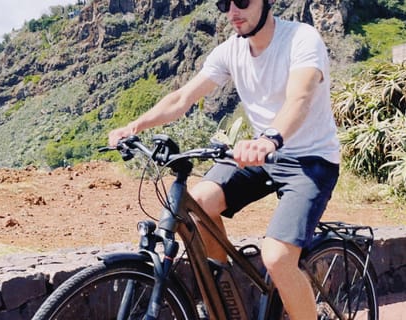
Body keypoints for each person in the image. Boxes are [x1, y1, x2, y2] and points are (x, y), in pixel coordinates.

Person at [107, 0, 340, 318]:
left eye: (242, 1)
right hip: (261, 156)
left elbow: (299, 99)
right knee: (199, 201)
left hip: (309, 160)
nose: (233, 11)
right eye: (223, 3)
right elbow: (182, 97)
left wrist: (269, 139)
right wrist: (135, 126)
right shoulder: (230, 51)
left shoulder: (301, 38)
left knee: (276, 257)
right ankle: (227, 298)